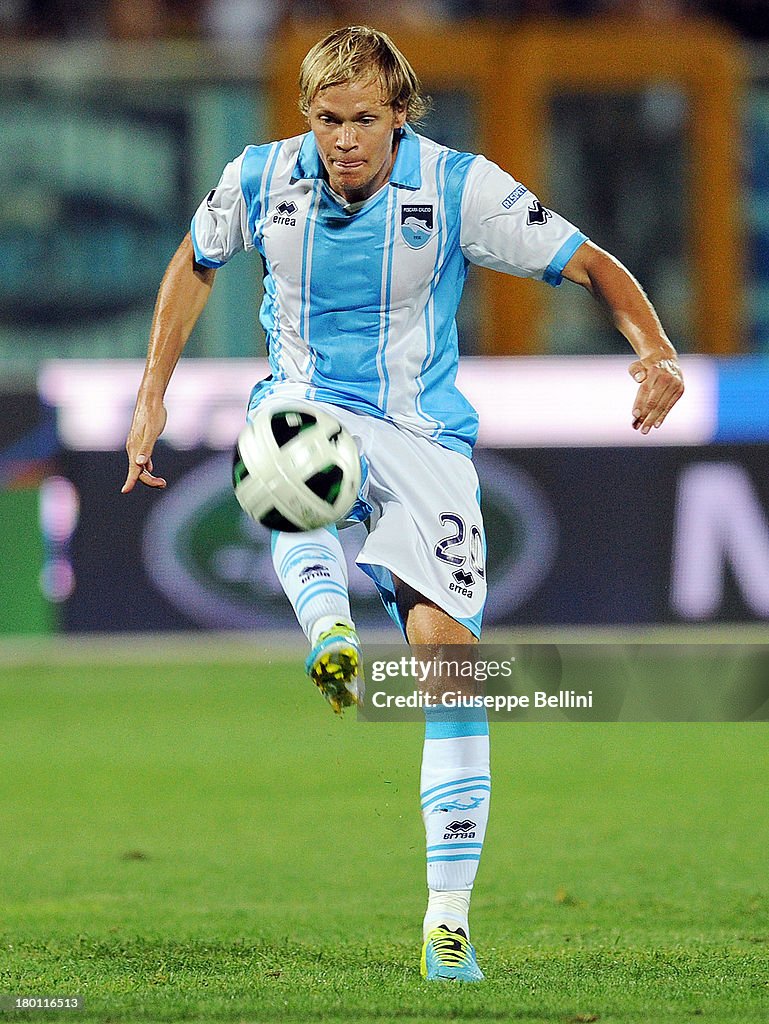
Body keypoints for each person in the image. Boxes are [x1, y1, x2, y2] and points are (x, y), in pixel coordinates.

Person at [122, 24, 684, 982]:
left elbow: (591, 262)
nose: (344, 140)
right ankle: (326, 628)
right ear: (306, 116)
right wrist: (151, 391)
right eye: (328, 119)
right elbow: (195, 259)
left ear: (399, 117)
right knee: (282, 446)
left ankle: (447, 924)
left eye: (365, 121)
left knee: (451, 669)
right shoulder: (261, 178)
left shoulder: (460, 186)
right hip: (309, 405)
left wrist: (655, 349)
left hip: (424, 442)